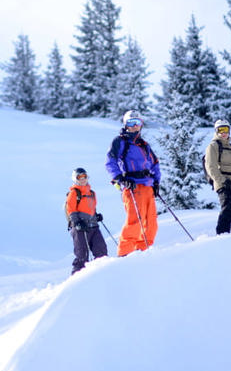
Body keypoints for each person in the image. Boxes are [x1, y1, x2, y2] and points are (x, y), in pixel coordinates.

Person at [105, 110, 161, 256]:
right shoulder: (120, 141)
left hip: (148, 186)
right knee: (135, 222)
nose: (135, 126)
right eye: (131, 123)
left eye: (138, 123)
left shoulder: (144, 144)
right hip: (132, 186)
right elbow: (110, 162)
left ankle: (143, 253)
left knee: (151, 224)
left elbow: (155, 163)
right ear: (125, 125)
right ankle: (124, 254)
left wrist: (156, 182)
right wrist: (120, 178)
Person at [64, 167, 108, 275]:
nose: (83, 179)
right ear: (75, 179)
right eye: (80, 177)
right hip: (80, 228)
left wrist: (96, 216)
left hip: (93, 226)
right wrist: (77, 222)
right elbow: (71, 209)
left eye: (84, 176)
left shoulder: (92, 193)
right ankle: (76, 281)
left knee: (101, 250)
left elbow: (91, 208)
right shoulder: (74, 193)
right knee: (82, 255)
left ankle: (101, 275)